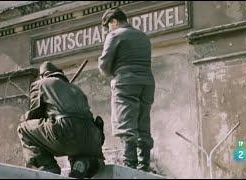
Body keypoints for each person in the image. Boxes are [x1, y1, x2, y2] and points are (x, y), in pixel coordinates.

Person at [17, 61, 105, 178]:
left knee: (24, 128)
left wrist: (25, 117)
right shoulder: (77, 90)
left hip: (66, 132)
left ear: (44, 75)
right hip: (93, 139)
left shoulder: (41, 84)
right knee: (77, 137)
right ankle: (83, 163)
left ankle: (47, 167)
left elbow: (35, 116)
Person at [98, 7, 155, 172]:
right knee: (143, 122)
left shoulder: (115, 35)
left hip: (125, 82)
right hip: (147, 83)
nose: (108, 29)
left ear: (113, 21)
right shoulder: (143, 36)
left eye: (108, 26)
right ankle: (144, 165)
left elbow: (104, 65)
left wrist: (111, 72)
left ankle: (129, 166)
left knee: (125, 123)